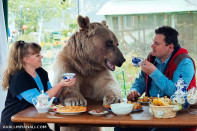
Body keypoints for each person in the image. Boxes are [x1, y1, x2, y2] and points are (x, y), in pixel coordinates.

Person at [116, 26, 196, 131]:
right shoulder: (152, 57)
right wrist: (134, 90)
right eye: (153, 42)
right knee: (121, 128)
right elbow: (140, 81)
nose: (152, 46)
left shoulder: (184, 62)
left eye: (157, 44)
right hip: (151, 113)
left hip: (175, 116)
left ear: (170, 47)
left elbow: (177, 92)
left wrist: (154, 73)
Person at [0, 40, 76, 131]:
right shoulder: (19, 78)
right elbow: (38, 100)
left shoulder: (41, 72)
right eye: (37, 55)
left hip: (35, 120)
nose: (42, 56)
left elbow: (53, 96)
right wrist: (60, 84)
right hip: (16, 124)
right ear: (26, 59)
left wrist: (62, 85)